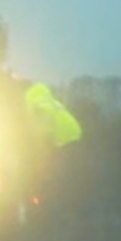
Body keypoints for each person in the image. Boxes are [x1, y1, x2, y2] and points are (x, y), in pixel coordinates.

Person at [19, 78, 84, 219]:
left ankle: (49, 210)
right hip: (75, 141)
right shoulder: (51, 104)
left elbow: (44, 134)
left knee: (50, 176)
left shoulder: (41, 109)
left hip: (66, 144)